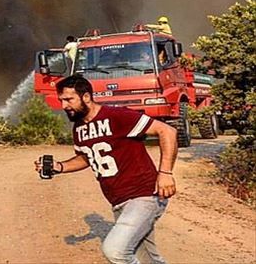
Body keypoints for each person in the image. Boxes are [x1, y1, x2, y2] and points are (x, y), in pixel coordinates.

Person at [35, 75, 178, 264]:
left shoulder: (117, 116)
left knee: (115, 250)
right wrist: (59, 167)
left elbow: (167, 131)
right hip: (119, 201)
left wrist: (165, 173)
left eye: (69, 100)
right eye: (62, 100)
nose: (64, 106)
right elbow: (86, 157)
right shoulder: (79, 127)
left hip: (145, 195)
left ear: (86, 97)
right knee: (147, 257)